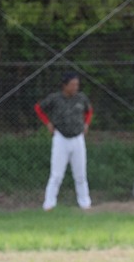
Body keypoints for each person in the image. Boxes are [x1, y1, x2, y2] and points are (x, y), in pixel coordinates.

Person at [34, 72, 93, 211]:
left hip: (78, 138)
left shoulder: (81, 98)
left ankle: (85, 203)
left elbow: (89, 111)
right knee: (56, 174)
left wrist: (86, 124)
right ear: (65, 85)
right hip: (61, 138)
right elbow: (38, 108)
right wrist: (48, 123)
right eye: (72, 85)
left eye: (77, 84)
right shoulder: (55, 98)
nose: (75, 87)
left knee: (80, 174)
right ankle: (49, 204)